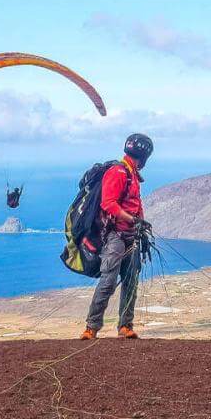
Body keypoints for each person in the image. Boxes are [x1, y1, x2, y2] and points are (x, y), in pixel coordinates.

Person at [82, 133, 153, 339]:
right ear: (145, 155)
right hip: (115, 236)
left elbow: (134, 205)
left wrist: (138, 221)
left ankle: (125, 326)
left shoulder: (131, 174)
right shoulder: (119, 172)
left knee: (131, 281)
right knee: (109, 281)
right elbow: (108, 204)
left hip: (131, 235)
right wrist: (132, 220)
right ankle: (91, 327)